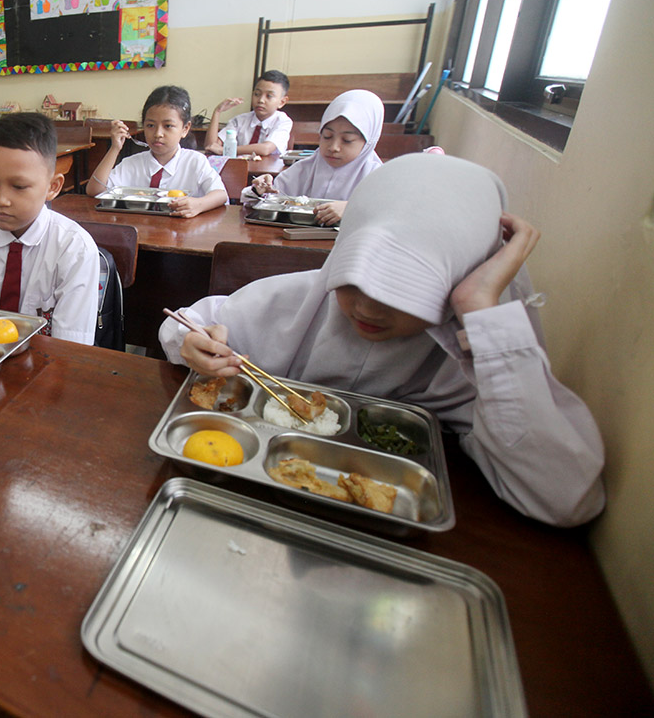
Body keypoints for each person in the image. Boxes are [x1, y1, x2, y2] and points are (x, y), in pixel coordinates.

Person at [160, 155, 605, 527]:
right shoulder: (300, 299)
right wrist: (188, 339)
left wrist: (482, 308)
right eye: (354, 281)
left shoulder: (470, 352)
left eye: (404, 292)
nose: (368, 310)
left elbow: (564, 499)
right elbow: (186, 321)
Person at [0, 113, 98, 344]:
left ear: (53, 187)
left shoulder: (74, 249)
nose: (1, 199)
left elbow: (70, 347)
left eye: (19, 186)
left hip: (50, 367)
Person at [86, 85, 228, 218]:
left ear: (185, 129)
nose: (158, 133)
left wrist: (198, 205)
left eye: (168, 126)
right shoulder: (132, 163)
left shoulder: (194, 161)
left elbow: (221, 195)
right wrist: (114, 148)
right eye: (150, 125)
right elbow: (94, 190)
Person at [249, 89, 384, 226]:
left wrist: (351, 208)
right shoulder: (306, 168)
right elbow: (263, 199)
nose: (333, 147)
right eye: (327, 136)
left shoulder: (377, 178)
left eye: (347, 140)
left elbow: (392, 215)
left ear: (369, 142)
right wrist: (261, 190)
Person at [204, 70, 293, 157]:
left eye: (269, 96)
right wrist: (217, 112)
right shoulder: (240, 120)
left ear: (282, 102)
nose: (261, 100)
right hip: (239, 169)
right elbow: (211, 147)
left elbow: (266, 149)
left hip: (269, 171)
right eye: (257, 94)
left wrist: (225, 150)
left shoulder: (283, 121)